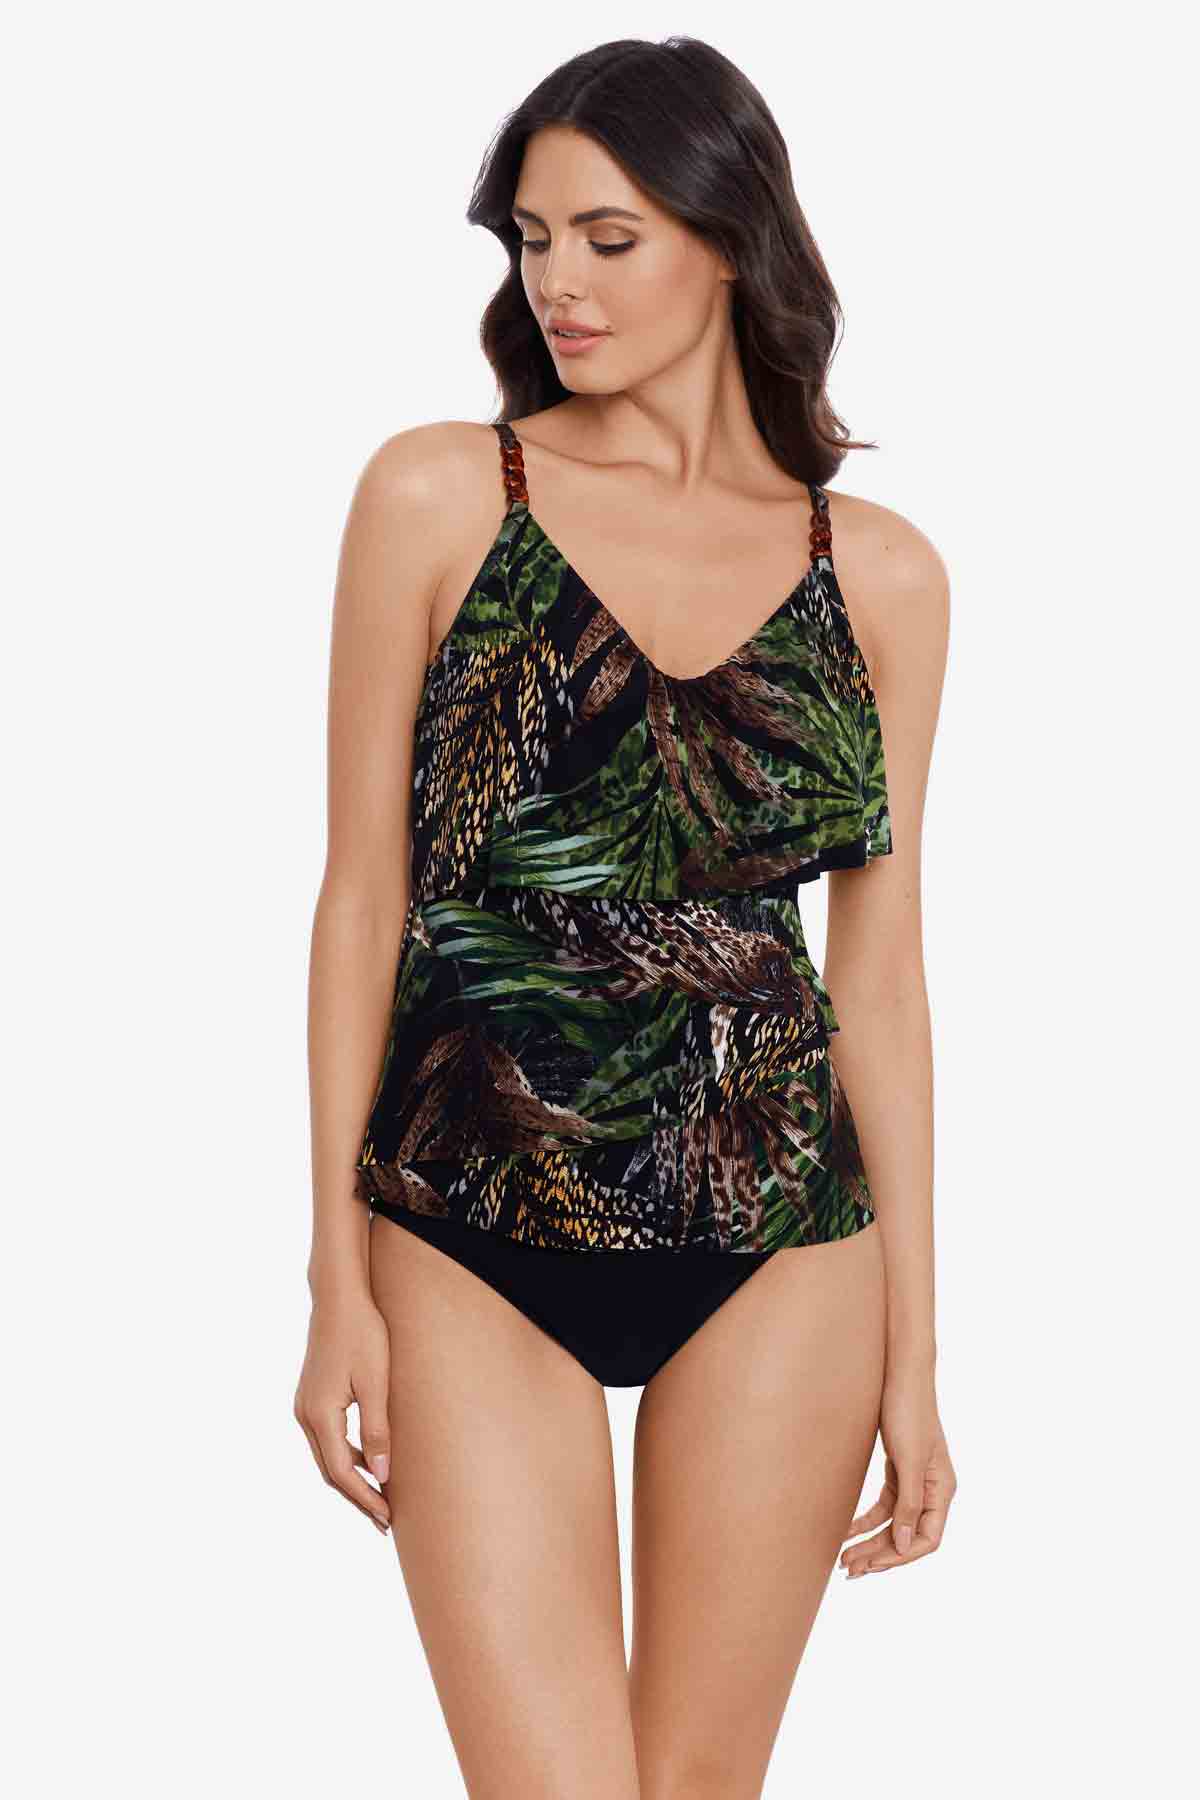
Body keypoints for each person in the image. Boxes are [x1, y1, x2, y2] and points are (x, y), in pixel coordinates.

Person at [296, 34, 954, 1799]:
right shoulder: (441, 494)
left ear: (729, 242)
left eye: (609, 237)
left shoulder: (880, 574)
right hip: (468, 1209)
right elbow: (362, 897)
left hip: (785, 1241)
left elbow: (882, 982)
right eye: (533, 239)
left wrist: (916, 1355)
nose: (557, 285)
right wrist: (333, 1274)